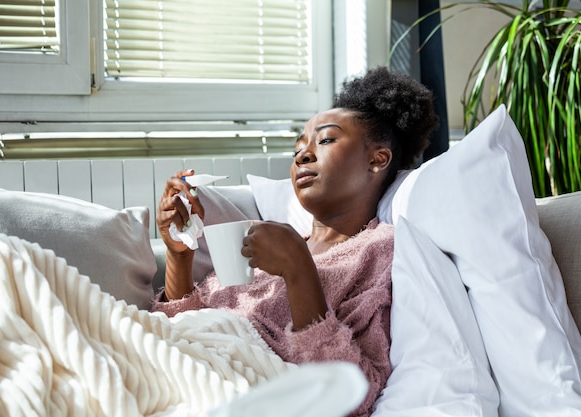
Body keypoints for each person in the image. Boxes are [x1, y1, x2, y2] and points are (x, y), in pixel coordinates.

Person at [152, 66, 439, 416]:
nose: (303, 154)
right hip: (178, 365)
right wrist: (179, 254)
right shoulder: (270, 242)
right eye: (297, 148)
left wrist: (300, 271)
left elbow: (355, 393)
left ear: (377, 159)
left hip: (241, 391)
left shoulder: (379, 251)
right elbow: (186, 327)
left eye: (327, 140)